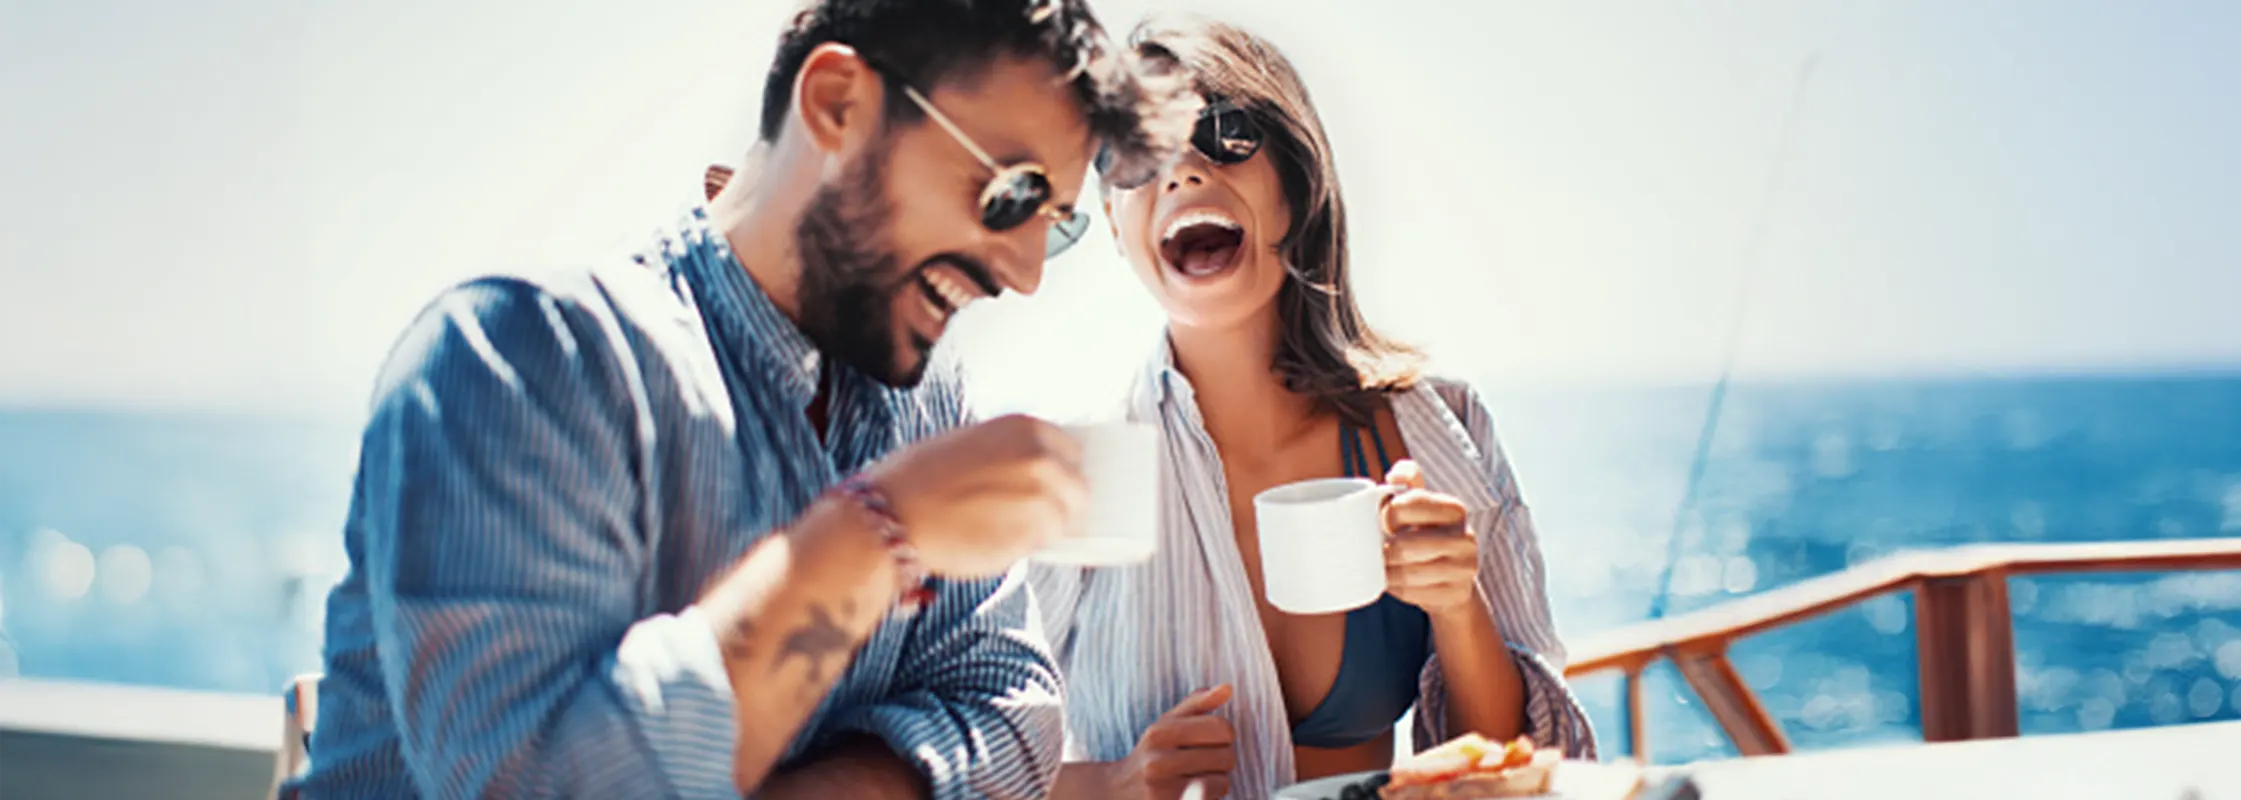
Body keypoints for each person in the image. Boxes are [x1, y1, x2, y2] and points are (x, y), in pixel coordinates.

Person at [285, 1, 1197, 797]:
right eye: (1012, 193)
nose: (1025, 272)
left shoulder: (926, 403)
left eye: (1056, 223)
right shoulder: (525, 355)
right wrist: (874, 531)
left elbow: (1016, 720)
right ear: (836, 103)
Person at [1031, 15, 1598, 800]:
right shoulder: (1071, 472)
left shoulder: (1440, 432)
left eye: (1225, 133)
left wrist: (1455, 603)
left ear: (1298, 184)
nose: (1183, 172)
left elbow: (1510, 764)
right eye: (1134, 156)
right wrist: (1113, 784)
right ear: (1116, 227)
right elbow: (973, 769)